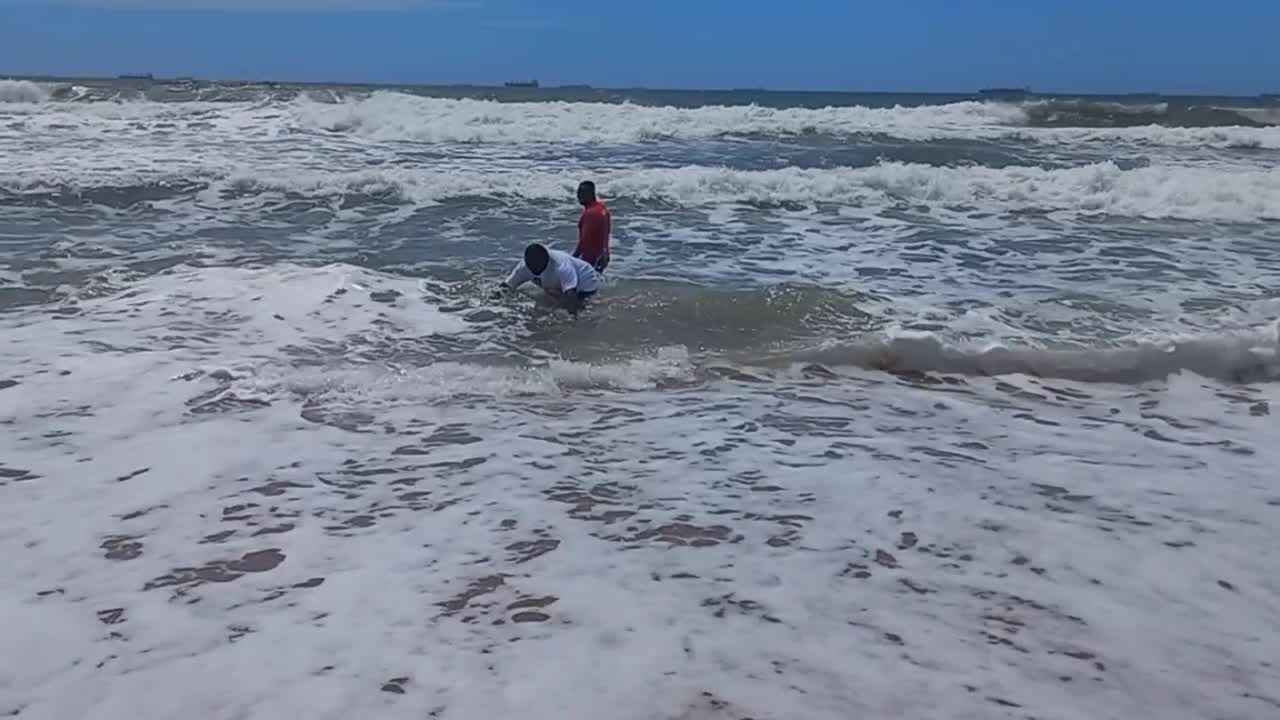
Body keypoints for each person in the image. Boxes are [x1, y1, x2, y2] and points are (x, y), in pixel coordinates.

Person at [498, 242, 601, 316]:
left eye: (539, 265)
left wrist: (571, 319)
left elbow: (571, 295)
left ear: (547, 259)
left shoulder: (561, 265)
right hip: (559, 285)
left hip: (586, 281)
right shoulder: (524, 267)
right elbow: (507, 286)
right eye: (532, 265)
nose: (535, 268)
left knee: (580, 309)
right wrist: (493, 299)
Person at [572, 180, 611, 273]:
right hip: (602, 255)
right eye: (578, 193)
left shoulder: (591, 213)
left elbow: (584, 240)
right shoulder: (602, 208)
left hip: (591, 258)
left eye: (582, 193)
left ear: (591, 194)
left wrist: (573, 258)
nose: (579, 196)